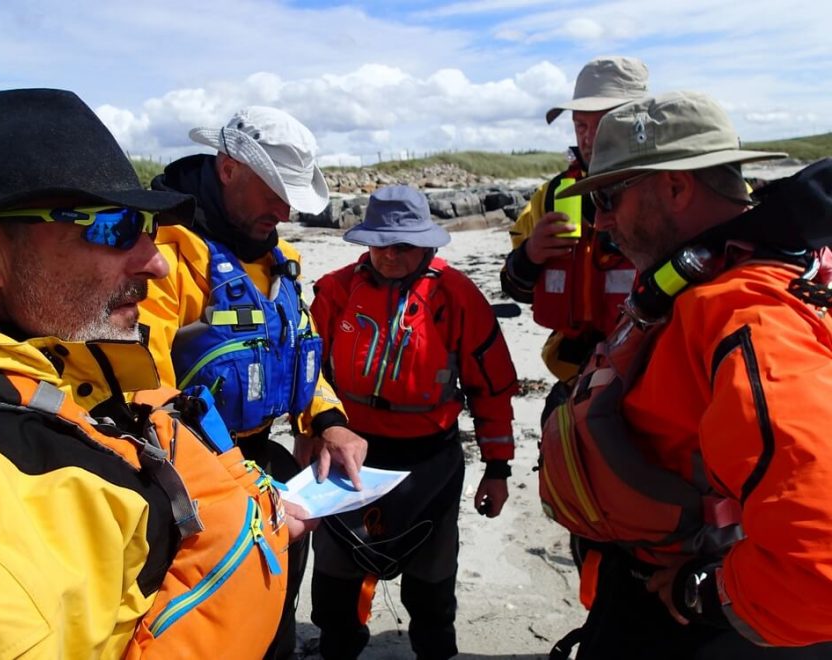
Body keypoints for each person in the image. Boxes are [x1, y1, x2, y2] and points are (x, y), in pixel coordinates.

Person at [0, 88, 310, 657]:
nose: (156, 259)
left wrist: (263, 504)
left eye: (148, 223)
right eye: (113, 227)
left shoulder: (86, 361)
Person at [539, 90, 832, 658]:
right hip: (649, 585)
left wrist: (704, 592)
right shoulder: (699, 290)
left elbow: (818, 566)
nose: (599, 223)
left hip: (707, 628)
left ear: (674, 187)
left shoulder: (747, 318)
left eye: (610, 199)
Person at [137, 106, 367, 659]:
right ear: (227, 167)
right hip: (184, 489)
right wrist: (230, 487)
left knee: (275, 612)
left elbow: (299, 355)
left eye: (291, 194)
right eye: (273, 189)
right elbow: (141, 392)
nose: (284, 208)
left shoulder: (283, 261)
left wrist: (329, 421)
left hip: (273, 471)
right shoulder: (165, 257)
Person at [308, 185, 518, 660]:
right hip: (349, 457)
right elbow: (308, 375)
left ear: (427, 242)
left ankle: (435, 651)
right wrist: (314, 432)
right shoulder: (336, 290)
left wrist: (498, 469)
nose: (388, 254)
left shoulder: (458, 295)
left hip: (431, 462)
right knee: (336, 578)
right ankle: (339, 647)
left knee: (432, 585)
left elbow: (492, 389)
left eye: (402, 244)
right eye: (379, 241)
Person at [501, 56, 648, 383]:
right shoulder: (552, 195)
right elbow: (514, 286)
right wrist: (530, 255)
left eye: (605, 125)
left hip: (658, 371)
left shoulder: (678, 188)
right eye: (581, 125)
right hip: (576, 373)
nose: (590, 138)